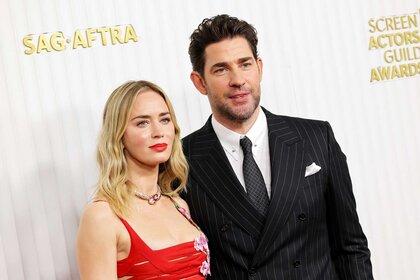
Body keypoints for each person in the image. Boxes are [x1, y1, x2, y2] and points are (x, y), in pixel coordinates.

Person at [181, 14, 373, 279]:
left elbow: (350, 246)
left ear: (259, 68)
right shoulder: (181, 160)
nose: (238, 79)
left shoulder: (317, 138)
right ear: (200, 82)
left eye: (245, 64)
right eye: (221, 69)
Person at [76, 80, 210, 279]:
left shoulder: (178, 204)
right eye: (142, 123)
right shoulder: (102, 216)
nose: (158, 132)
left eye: (165, 120)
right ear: (119, 136)